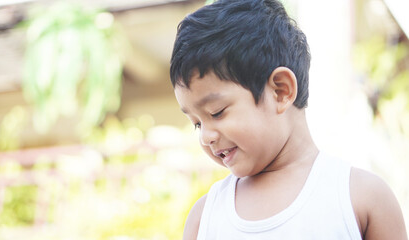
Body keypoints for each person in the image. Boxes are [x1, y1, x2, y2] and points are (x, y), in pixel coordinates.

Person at [169, 0, 408, 239]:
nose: (205, 136)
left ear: (280, 91)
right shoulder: (204, 219)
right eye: (197, 124)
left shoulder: (361, 198)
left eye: (217, 112)